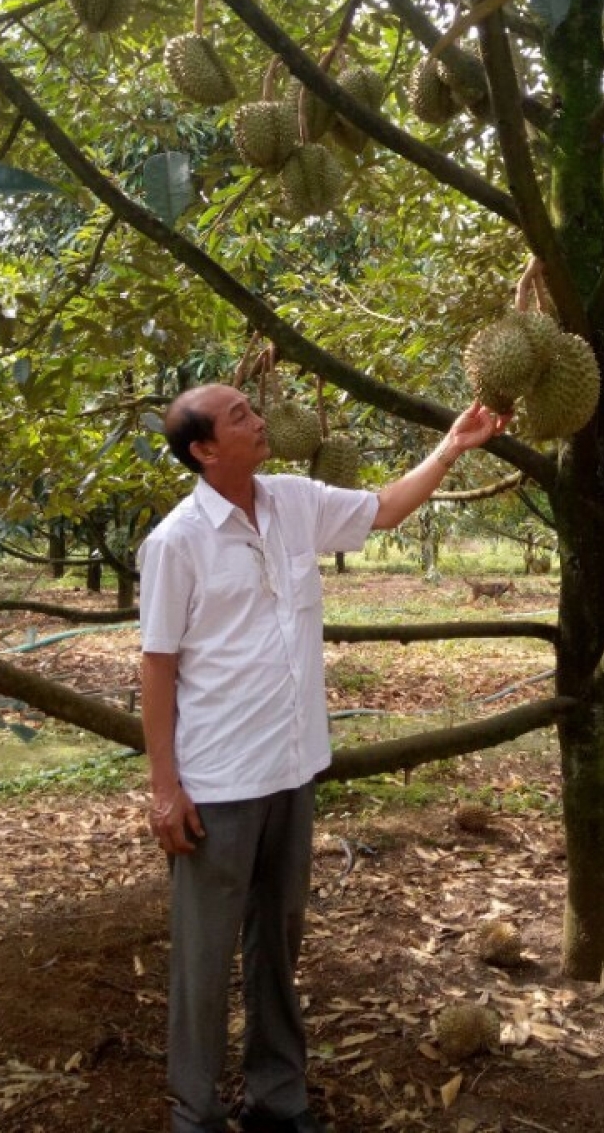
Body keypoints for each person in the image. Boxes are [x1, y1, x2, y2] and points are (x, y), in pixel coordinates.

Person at [138, 383, 510, 1133]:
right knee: (205, 957)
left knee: (279, 939)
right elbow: (157, 665)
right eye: (240, 416)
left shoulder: (294, 502)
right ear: (204, 450)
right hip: (218, 779)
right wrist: (164, 789)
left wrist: (451, 446)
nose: (259, 419)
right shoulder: (177, 542)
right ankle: (196, 1110)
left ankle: (278, 1098)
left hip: (291, 765)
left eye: (253, 407)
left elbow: (384, 507)